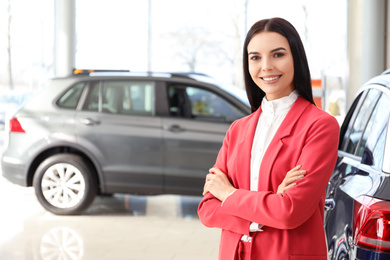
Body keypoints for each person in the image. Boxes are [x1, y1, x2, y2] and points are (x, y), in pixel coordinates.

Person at [198, 17, 340, 260]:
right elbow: (207, 209)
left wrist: (229, 194)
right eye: (255, 57)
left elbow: (289, 211)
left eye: (278, 54)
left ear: (296, 57)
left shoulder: (320, 125)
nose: (266, 66)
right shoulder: (237, 130)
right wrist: (270, 203)